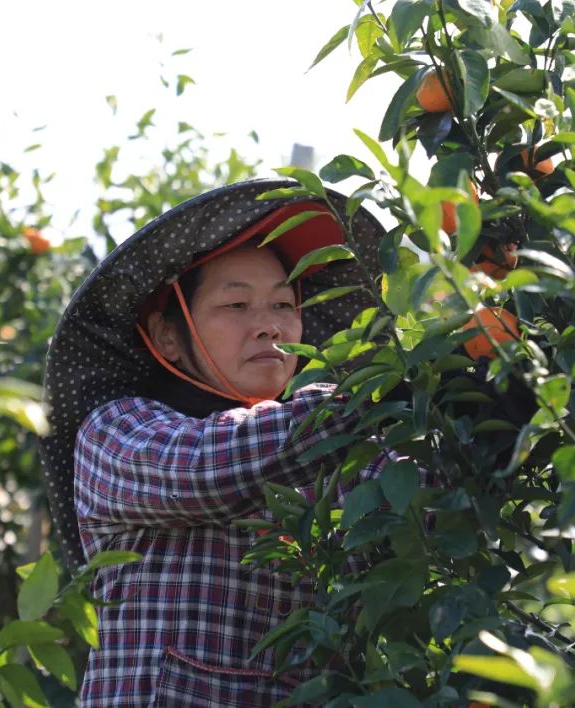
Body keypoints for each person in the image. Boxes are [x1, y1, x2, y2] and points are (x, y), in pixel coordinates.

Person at [37, 180, 389, 706]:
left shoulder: (339, 455)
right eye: (237, 305)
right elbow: (206, 467)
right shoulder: (116, 431)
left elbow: (429, 505)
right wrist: (372, 396)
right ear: (167, 337)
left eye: (283, 304)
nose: (268, 326)